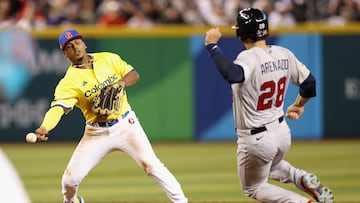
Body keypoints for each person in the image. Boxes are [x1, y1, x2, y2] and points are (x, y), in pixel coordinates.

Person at [33, 29, 188, 203]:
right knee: (69, 181)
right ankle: (73, 201)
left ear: (83, 43)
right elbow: (58, 108)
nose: (75, 47)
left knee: (152, 166)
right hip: (96, 133)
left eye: (77, 42)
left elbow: (133, 74)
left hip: (126, 125)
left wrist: (121, 83)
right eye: (69, 46)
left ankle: (181, 201)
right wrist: (45, 127)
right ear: (64, 54)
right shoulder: (68, 82)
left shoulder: (108, 58)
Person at [204, 8, 334, 203]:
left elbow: (232, 74)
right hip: (282, 132)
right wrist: (299, 104)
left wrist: (212, 46)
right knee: (270, 165)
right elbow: (309, 84)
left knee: (254, 187)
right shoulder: (284, 54)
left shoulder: (247, 58)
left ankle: (300, 202)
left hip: (256, 138)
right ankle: (301, 177)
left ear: (241, 33)